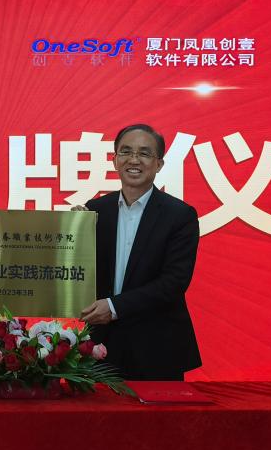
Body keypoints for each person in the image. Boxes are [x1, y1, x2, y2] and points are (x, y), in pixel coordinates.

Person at [78, 124, 202, 380]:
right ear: (115, 160)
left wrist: (114, 307)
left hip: (157, 346)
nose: (134, 160)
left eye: (144, 153)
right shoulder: (95, 210)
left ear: (159, 164)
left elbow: (173, 282)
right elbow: (84, 271)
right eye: (126, 151)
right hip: (101, 345)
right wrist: (72, 235)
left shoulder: (180, 215)